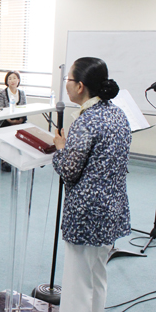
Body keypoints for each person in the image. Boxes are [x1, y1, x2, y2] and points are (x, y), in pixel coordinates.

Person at [53, 57, 131, 312]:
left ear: (80, 86)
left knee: (77, 283)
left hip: (87, 214)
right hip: (111, 211)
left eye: (69, 80)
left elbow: (69, 171)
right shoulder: (118, 114)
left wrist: (60, 149)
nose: (66, 85)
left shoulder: (86, 121)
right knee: (97, 275)